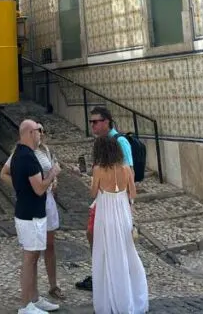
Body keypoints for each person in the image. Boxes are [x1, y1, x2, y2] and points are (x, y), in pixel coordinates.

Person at [1, 123, 64, 300]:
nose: (42, 134)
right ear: (30, 133)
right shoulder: (24, 155)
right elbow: (5, 174)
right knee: (31, 254)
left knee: (43, 247)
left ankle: (42, 293)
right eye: (38, 130)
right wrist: (22, 187)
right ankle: (27, 303)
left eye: (42, 130)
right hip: (33, 206)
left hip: (45, 201)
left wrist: (52, 181)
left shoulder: (44, 151)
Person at [90, 134, 148, 314]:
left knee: (107, 253)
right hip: (122, 212)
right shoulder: (125, 169)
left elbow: (93, 194)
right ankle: (132, 297)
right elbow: (133, 193)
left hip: (106, 213)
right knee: (127, 252)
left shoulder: (98, 169)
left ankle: (109, 298)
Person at [76, 106, 133, 292]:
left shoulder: (120, 141)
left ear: (107, 121)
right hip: (103, 199)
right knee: (94, 235)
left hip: (114, 201)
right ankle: (101, 272)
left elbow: (128, 172)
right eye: (91, 122)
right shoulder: (101, 142)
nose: (92, 125)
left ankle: (108, 274)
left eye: (95, 121)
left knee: (103, 236)